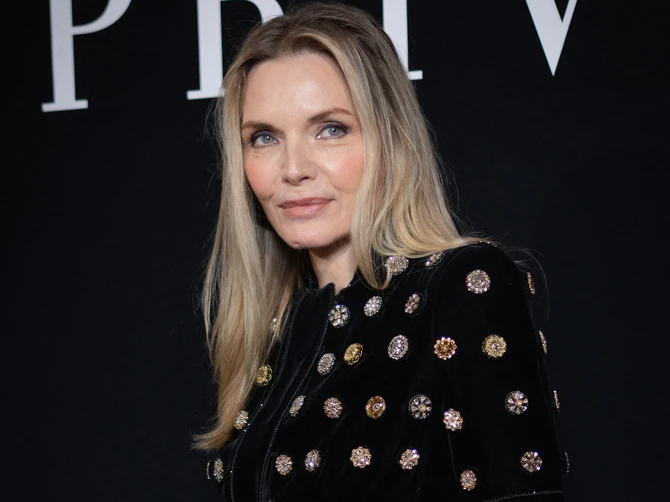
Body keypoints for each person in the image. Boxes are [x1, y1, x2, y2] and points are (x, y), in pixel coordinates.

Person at [198, 3, 566, 501]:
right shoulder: (276, 334)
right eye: (264, 138)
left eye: (331, 129)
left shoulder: (461, 287)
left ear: (389, 138)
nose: (293, 168)